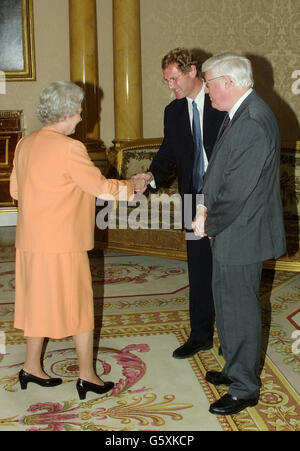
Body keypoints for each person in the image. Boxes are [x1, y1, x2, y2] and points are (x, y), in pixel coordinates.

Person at [9, 81, 144, 400]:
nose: (82, 116)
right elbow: (99, 187)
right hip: (62, 244)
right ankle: (87, 375)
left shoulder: (25, 144)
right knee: (81, 307)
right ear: (66, 112)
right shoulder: (70, 149)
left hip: (30, 241)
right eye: (80, 110)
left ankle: (31, 365)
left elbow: (16, 192)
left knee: (36, 303)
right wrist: (132, 187)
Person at [192, 53, 286, 415]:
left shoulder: (252, 120)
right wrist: (205, 207)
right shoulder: (242, 113)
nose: (208, 89)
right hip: (233, 230)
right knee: (227, 303)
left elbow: (238, 190)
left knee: (240, 309)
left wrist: (208, 221)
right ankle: (234, 369)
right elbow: (223, 172)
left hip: (242, 232)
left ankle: (245, 388)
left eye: (210, 82)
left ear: (229, 83)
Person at [134, 48, 225, 359]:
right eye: (166, 81)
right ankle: (200, 336)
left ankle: (231, 340)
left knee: (228, 273)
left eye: (174, 79)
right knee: (199, 273)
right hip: (193, 199)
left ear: (192, 71)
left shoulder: (221, 103)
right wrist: (150, 175)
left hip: (225, 199)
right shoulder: (173, 112)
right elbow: (167, 154)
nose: (170, 86)